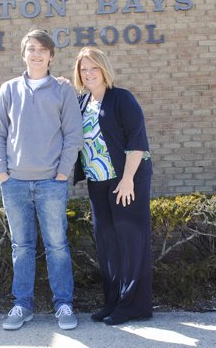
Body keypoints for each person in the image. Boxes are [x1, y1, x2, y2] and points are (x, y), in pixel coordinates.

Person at [0, 29, 83, 331]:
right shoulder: (8, 89)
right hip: (14, 182)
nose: (37, 54)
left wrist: (62, 173)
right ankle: (22, 306)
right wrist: (2, 172)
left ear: (51, 56)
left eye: (43, 49)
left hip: (51, 184)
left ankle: (64, 305)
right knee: (22, 247)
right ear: (23, 54)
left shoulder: (62, 90)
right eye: (31, 49)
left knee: (57, 245)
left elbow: (73, 135)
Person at [72, 47, 153, 326]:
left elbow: (137, 141)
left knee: (129, 241)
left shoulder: (122, 98)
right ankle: (113, 301)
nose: (89, 73)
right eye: (84, 69)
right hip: (97, 181)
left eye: (94, 67)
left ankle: (133, 305)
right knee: (107, 243)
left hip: (126, 180)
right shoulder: (82, 103)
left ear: (104, 69)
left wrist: (128, 179)